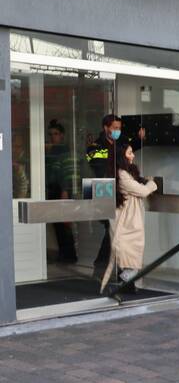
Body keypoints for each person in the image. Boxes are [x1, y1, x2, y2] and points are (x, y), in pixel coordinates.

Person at [86, 115, 145, 280]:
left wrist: (140, 140)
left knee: (114, 231)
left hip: (117, 190)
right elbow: (98, 166)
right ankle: (105, 268)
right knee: (111, 230)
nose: (117, 131)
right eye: (114, 128)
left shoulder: (121, 143)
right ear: (105, 127)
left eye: (119, 128)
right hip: (101, 189)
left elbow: (128, 153)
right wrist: (118, 161)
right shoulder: (95, 146)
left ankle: (116, 271)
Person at [99, 145, 157, 293]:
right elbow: (142, 191)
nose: (133, 156)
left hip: (130, 222)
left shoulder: (125, 173)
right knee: (130, 255)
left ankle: (127, 284)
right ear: (121, 156)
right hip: (126, 224)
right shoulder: (122, 175)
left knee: (131, 255)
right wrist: (152, 183)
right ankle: (123, 282)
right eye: (129, 153)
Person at [45, 120, 78, 263]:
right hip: (53, 189)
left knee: (64, 224)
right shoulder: (50, 150)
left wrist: (65, 191)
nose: (53, 137)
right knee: (57, 224)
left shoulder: (64, 150)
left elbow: (68, 172)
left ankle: (69, 255)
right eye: (51, 134)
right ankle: (63, 253)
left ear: (62, 135)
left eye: (56, 134)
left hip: (62, 190)